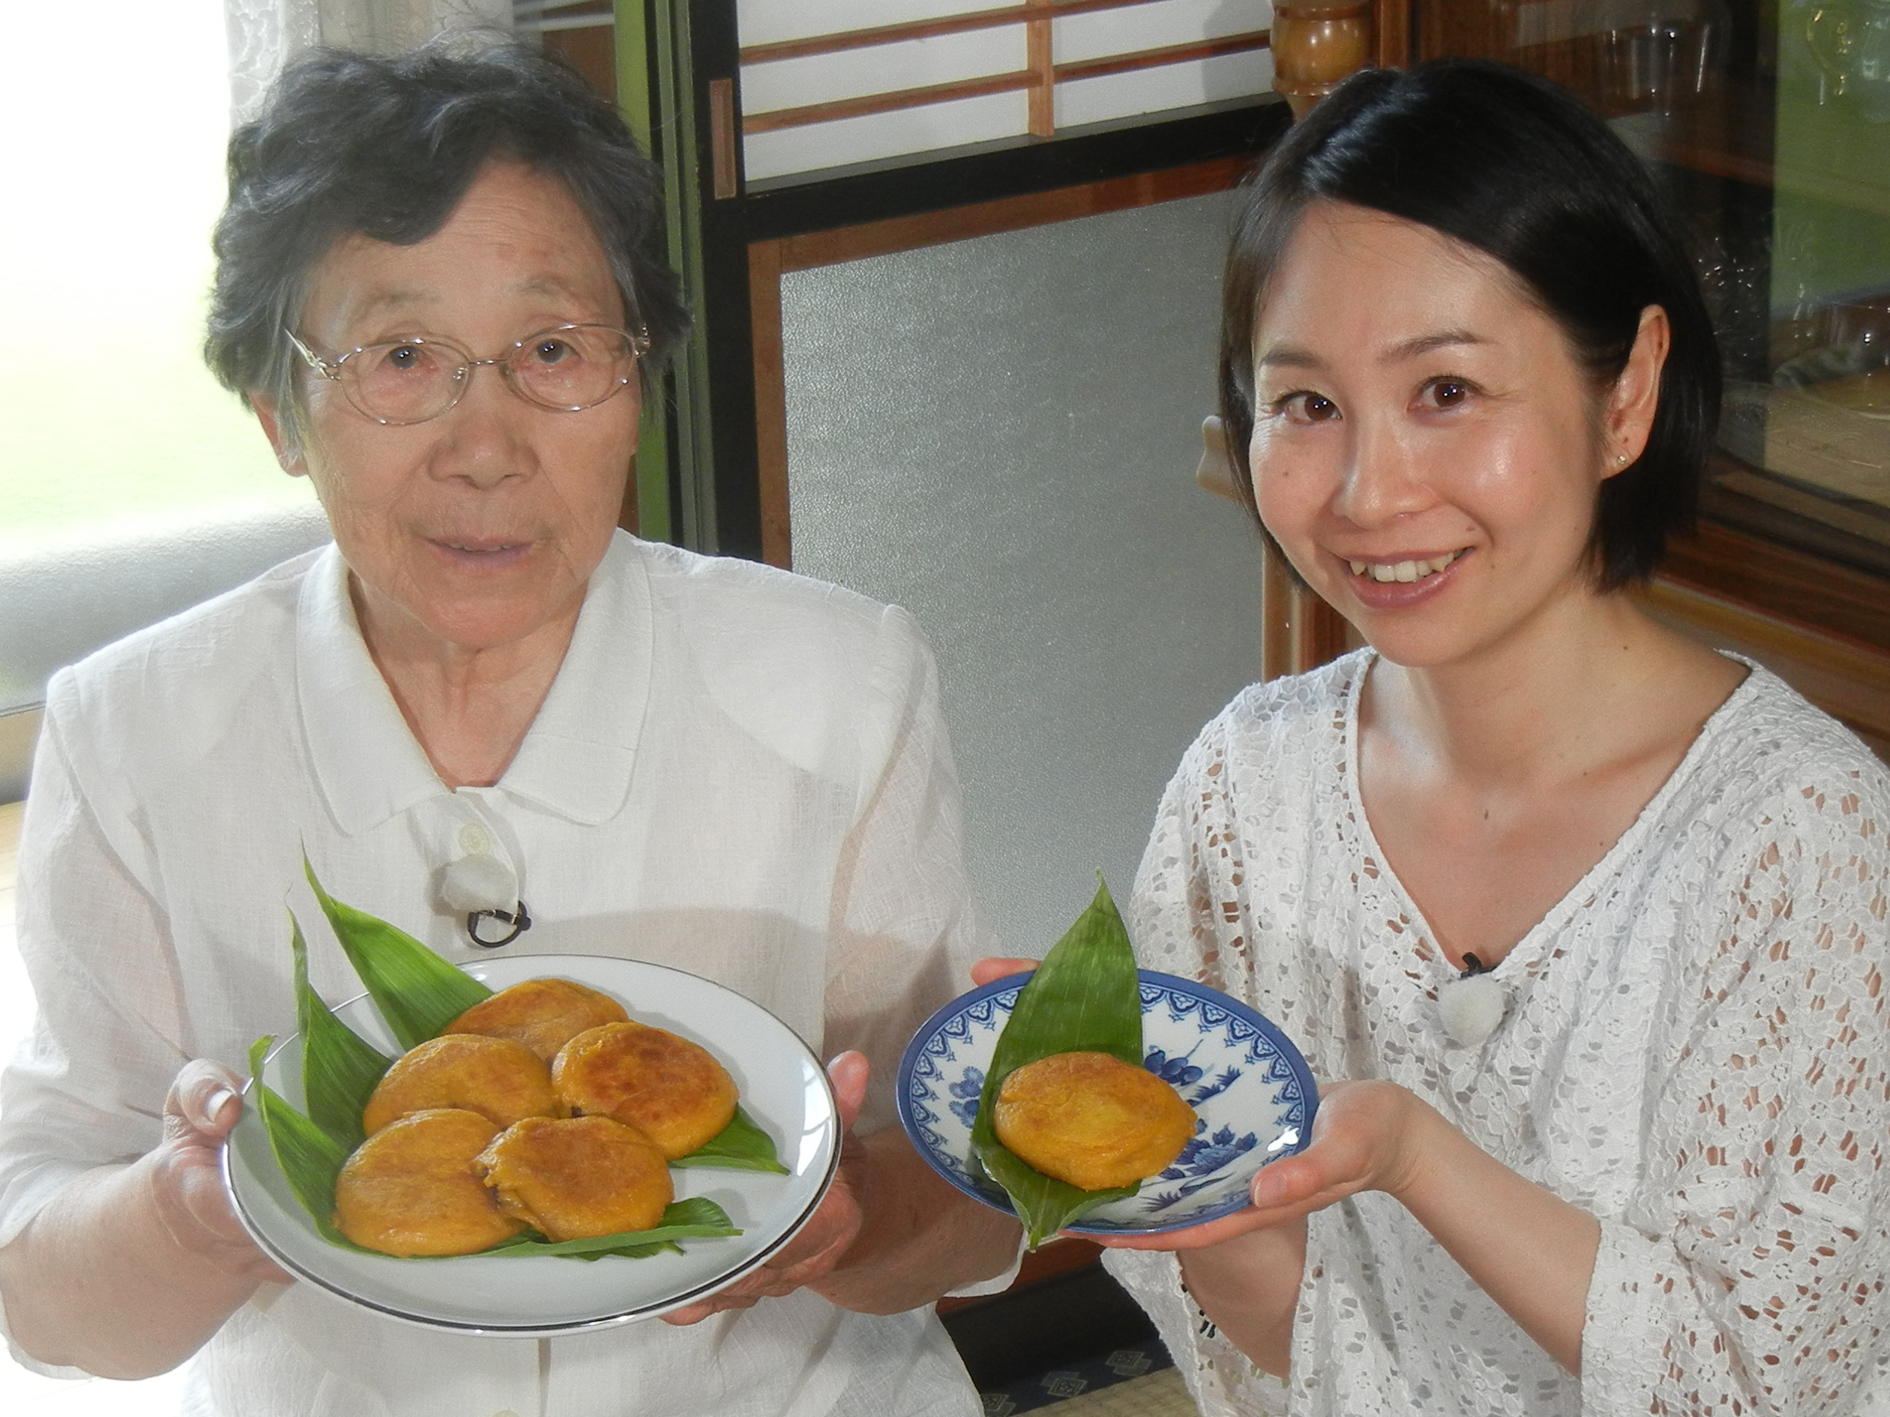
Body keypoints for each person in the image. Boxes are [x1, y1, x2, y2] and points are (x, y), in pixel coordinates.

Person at [0, 38, 1018, 1417]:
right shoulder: (130, 730)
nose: (487, 444)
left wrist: (857, 1216)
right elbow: (45, 1301)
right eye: (402, 356)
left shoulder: (842, 679)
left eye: (551, 349)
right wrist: (193, 1214)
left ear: (635, 376)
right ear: (276, 410)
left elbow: (972, 1220)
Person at [1056, 59, 1889, 1416]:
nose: (1370, 492)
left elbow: (1766, 1383)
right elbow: (1271, 1345)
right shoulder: (1240, 787)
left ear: (1622, 398)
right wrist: (1180, 1188)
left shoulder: (1802, 837)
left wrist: (1411, 1153)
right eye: (1307, 405)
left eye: (1445, 391)